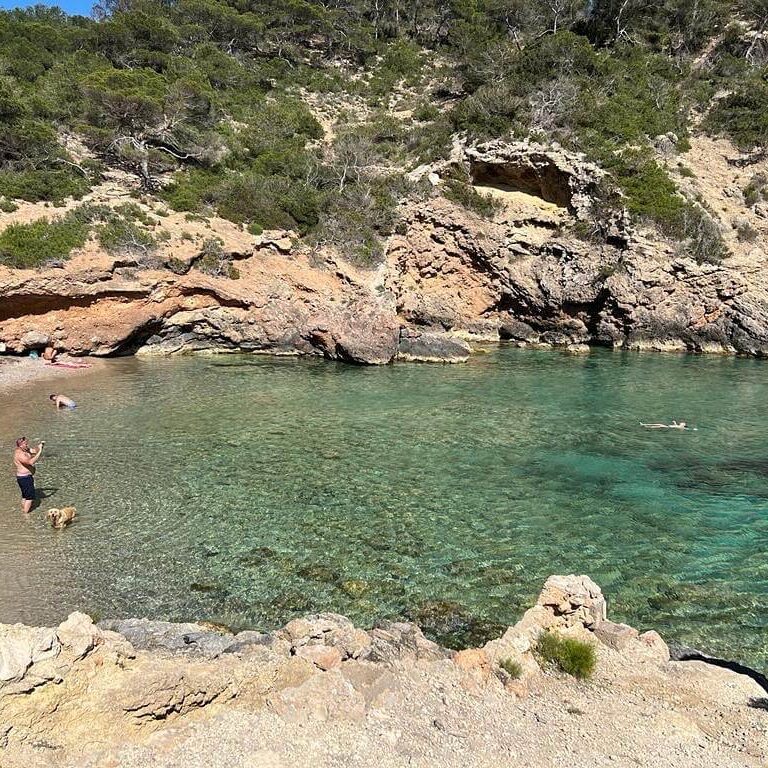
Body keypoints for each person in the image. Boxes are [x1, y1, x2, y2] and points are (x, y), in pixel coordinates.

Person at [13, 437, 44, 514]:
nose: (27, 445)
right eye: (25, 444)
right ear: (20, 445)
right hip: (24, 478)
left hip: (25, 478)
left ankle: (23, 509)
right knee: (30, 497)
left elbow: (33, 451)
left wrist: (40, 446)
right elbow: (30, 462)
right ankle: (25, 515)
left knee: (25, 496)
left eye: (27, 444)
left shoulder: (25, 449)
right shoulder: (19, 454)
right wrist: (40, 452)